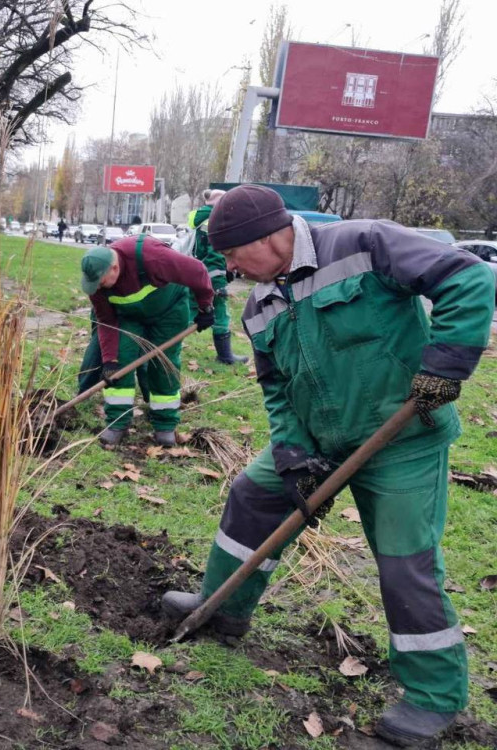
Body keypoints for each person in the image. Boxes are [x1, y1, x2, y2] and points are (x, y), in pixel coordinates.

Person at [159, 185, 496, 747]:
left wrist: (446, 364)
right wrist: (291, 451)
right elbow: (275, 387)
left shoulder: (365, 243)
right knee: (253, 495)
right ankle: (223, 607)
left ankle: (433, 697)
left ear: (269, 238)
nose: (233, 270)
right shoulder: (259, 306)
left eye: (236, 256)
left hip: (402, 437)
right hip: (319, 437)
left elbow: (470, 279)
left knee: (404, 562)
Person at [80, 234, 215, 447]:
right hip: (129, 317)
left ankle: (165, 424)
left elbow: (197, 271)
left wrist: (205, 306)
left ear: (114, 268)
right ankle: (117, 422)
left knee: (163, 364)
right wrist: (109, 360)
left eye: (100, 282)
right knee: (120, 362)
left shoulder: (151, 256)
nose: (97, 288)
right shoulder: (97, 287)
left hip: (169, 311)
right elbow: (106, 322)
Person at [189, 189, 248, 365]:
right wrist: (219, 285)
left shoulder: (202, 219)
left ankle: (225, 355)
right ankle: (224, 355)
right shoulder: (214, 222)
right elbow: (215, 258)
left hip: (197, 276)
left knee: (213, 313)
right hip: (207, 279)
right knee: (198, 314)